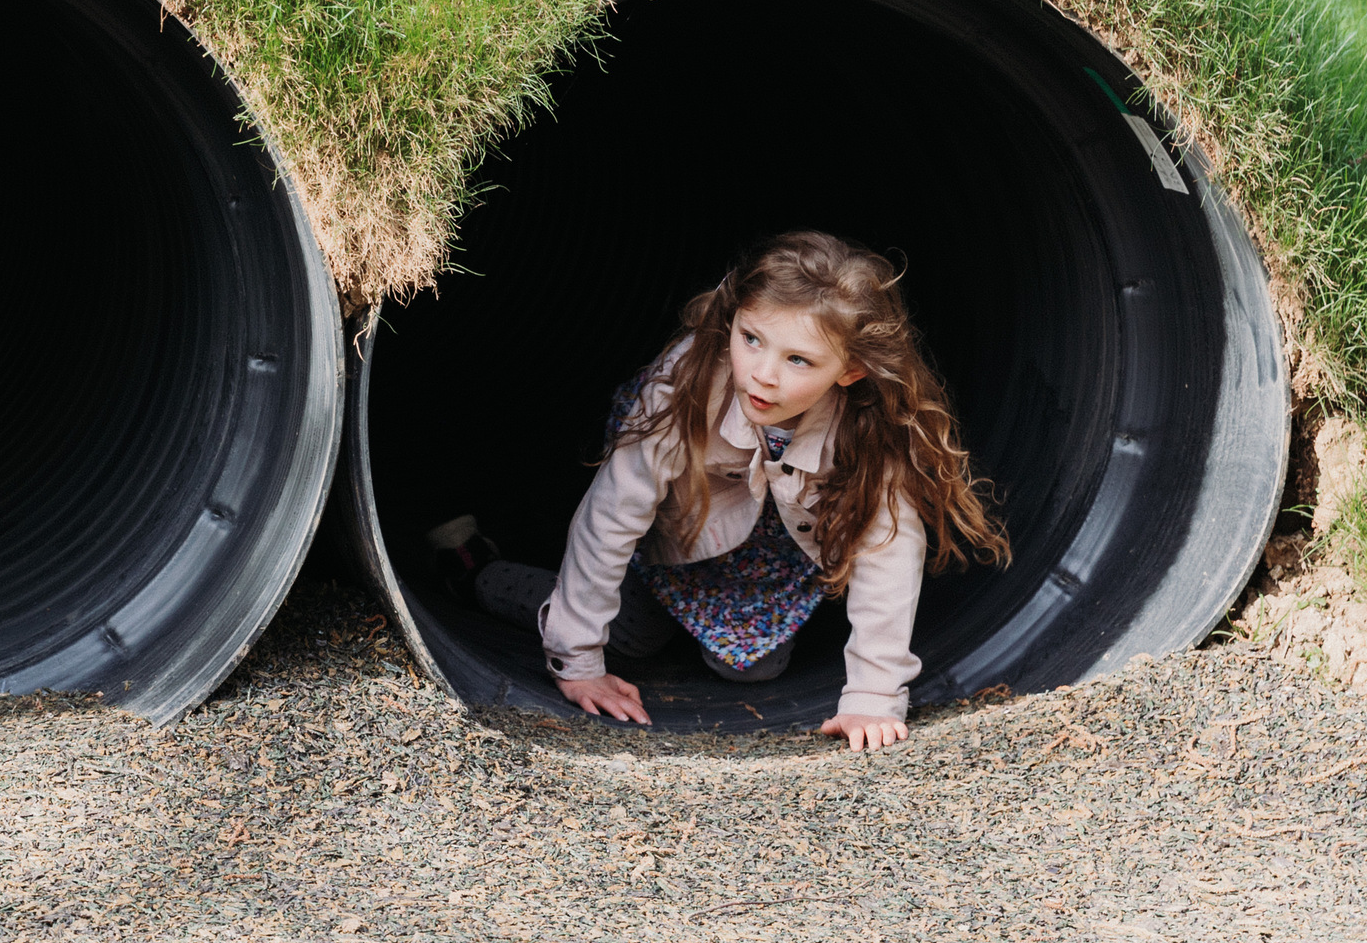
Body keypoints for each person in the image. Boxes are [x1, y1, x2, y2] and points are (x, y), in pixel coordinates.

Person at [426, 230, 1008, 750]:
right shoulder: (686, 386)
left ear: (850, 370)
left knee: (752, 670)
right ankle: (475, 570)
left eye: (799, 359)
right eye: (751, 338)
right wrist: (575, 659)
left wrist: (875, 695)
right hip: (685, 520)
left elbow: (888, 549)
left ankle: (694, 625)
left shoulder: (869, 423)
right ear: (732, 318)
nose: (763, 373)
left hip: (777, 542)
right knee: (630, 637)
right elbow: (612, 514)